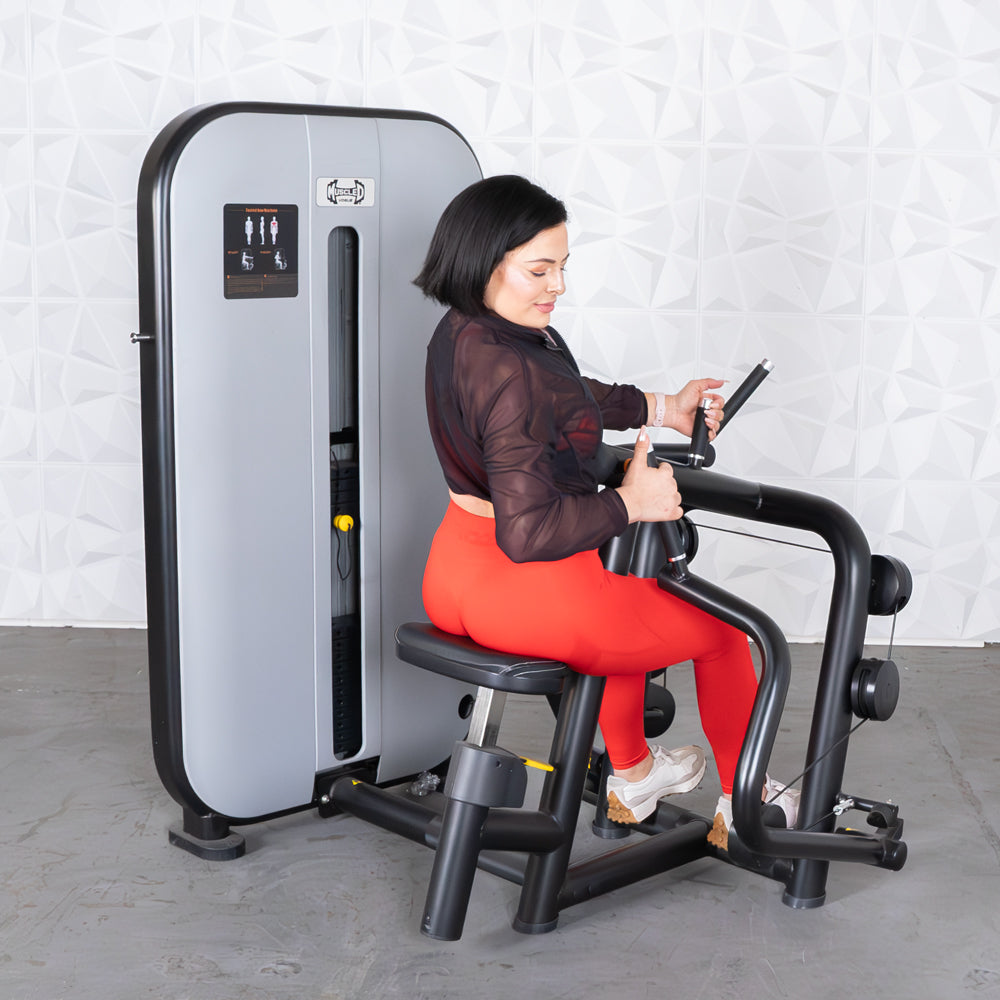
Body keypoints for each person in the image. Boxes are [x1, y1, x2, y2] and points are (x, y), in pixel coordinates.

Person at [415, 174, 797, 848]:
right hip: (530, 589)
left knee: (630, 597)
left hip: (453, 576)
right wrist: (631, 501)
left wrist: (664, 408)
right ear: (483, 262)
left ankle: (634, 772)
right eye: (538, 269)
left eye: (562, 267)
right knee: (727, 634)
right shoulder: (511, 373)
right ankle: (747, 800)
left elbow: (570, 396)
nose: (556, 286)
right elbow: (529, 533)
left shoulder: (468, 334)